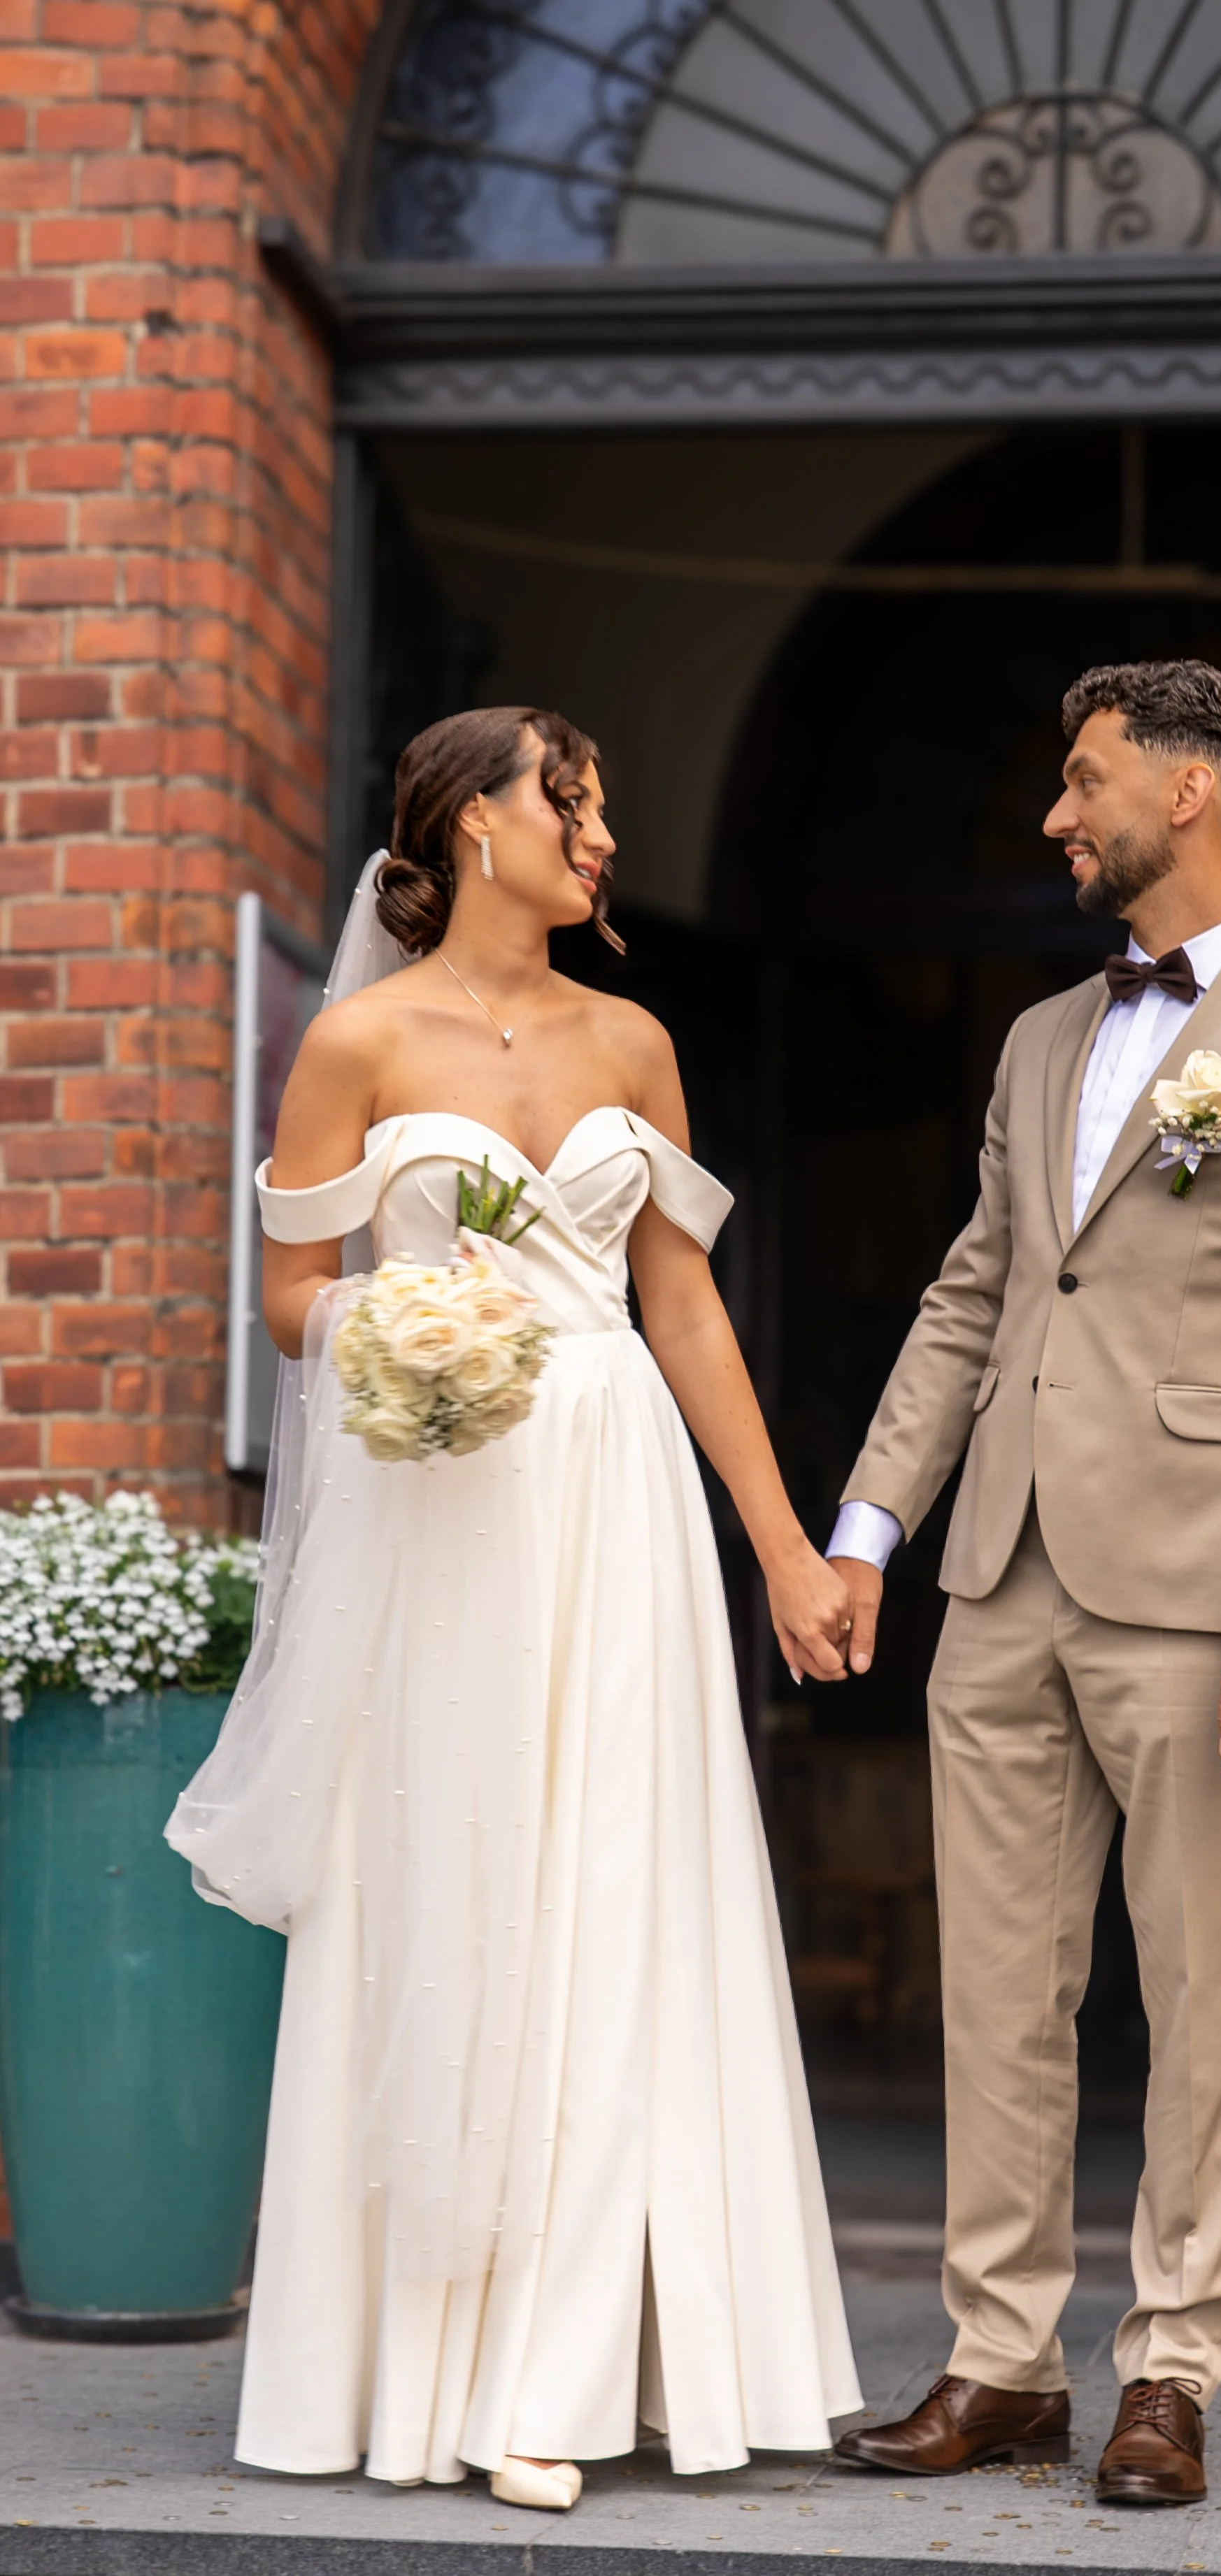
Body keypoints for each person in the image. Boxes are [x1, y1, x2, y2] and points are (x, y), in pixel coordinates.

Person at [167, 707, 861, 2508]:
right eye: (577, 801)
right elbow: (293, 1294)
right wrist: (392, 1331)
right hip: (445, 1512)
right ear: (477, 820)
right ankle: (398, 2369)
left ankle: (557, 2376)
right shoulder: (356, 1041)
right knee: (451, 1893)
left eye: (607, 806)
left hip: (618, 1502)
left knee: (614, 1898)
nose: (603, 834)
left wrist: (782, 1550)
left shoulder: (635, 1039)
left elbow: (685, 1309)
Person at [825, 661, 1221, 2505]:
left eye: (1082, 785)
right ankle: (998, 2358)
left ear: (1188, 795)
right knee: (996, 1991)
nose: (1053, 819)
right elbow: (971, 1296)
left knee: (1196, 1996)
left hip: (1197, 1594)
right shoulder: (1030, 1042)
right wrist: (867, 1533)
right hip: (994, 1577)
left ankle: (1169, 2362)